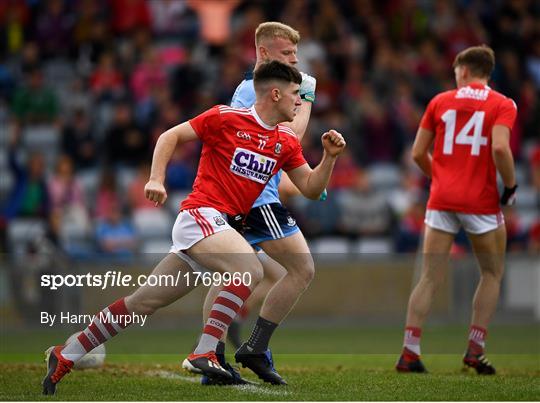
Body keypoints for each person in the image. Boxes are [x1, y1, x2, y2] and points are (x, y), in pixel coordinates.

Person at [42, 60, 346, 395]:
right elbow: (170, 136)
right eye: (294, 95)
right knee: (249, 268)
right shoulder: (225, 118)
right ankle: (205, 349)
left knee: (141, 303)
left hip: (218, 228)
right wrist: (156, 178)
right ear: (275, 94)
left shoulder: (285, 142)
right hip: (200, 215)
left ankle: (66, 354)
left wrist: (329, 158)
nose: (299, 102)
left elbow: (311, 189)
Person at [185, 21, 319, 386]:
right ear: (263, 53)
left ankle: (212, 356)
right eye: (287, 53)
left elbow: (276, 151)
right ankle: (254, 348)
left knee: (234, 276)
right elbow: (290, 135)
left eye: (295, 53)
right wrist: (306, 98)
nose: (294, 59)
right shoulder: (253, 90)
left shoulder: (258, 88)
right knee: (301, 269)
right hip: (257, 200)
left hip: (251, 196)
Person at [396, 45, 518, 374]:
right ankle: (474, 350)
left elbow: (418, 154)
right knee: (491, 274)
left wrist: (444, 177)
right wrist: (510, 187)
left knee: (429, 278)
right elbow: (501, 148)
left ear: (463, 71)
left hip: (442, 199)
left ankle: (410, 351)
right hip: (480, 201)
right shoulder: (503, 104)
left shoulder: (440, 101)